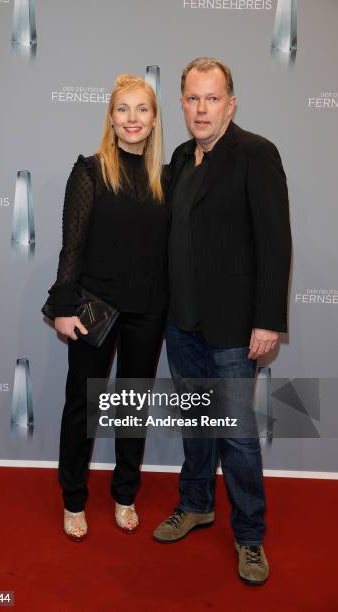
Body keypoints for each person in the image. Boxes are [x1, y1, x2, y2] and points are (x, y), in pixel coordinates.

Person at [153, 58, 292, 585]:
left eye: (212, 99)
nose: (201, 109)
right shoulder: (181, 158)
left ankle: (250, 535)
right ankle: (196, 504)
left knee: (234, 434)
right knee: (195, 423)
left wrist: (268, 321)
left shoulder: (256, 154)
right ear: (182, 103)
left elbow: (276, 242)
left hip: (236, 327)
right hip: (181, 323)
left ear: (230, 103)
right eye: (192, 98)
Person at [44, 74, 167, 541]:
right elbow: (71, 248)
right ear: (111, 118)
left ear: (154, 120)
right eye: (123, 109)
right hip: (94, 306)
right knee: (84, 405)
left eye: (141, 109)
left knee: (132, 407)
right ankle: (74, 499)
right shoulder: (90, 170)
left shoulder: (166, 177)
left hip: (149, 309)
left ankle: (125, 494)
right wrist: (62, 304)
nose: (132, 118)